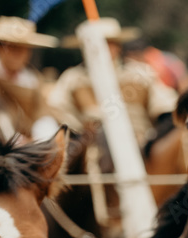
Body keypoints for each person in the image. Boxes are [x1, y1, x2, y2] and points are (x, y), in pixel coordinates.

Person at [48, 18, 178, 146]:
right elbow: (58, 108)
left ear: (117, 46)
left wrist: (153, 140)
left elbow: (165, 106)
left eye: (107, 44)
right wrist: (81, 135)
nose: (99, 49)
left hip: (140, 144)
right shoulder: (73, 78)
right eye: (92, 44)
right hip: (93, 150)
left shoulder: (140, 74)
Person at [0, 16, 60, 140]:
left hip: (30, 143)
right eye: (11, 47)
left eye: (22, 48)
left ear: (29, 52)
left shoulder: (33, 81)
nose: (17, 54)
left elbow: (42, 114)